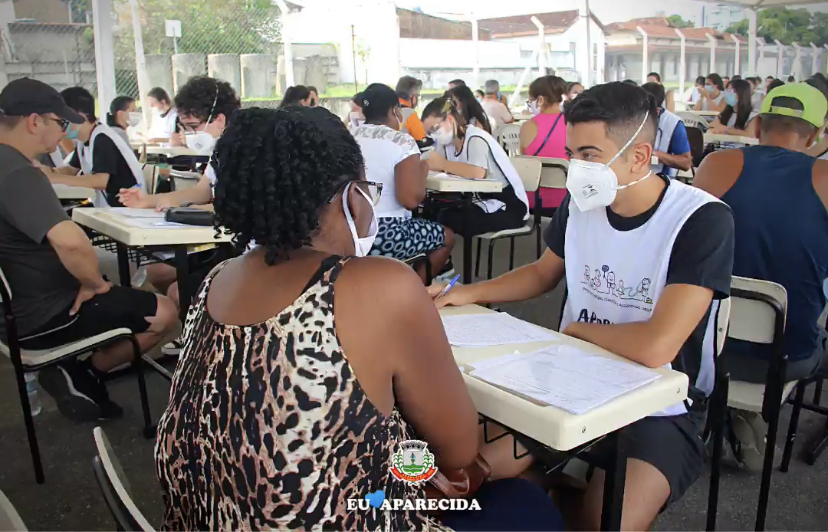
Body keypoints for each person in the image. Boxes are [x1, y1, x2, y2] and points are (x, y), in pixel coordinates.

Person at [154, 105, 563, 530]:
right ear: (354, 196)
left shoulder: (216, 280)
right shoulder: (379, 286)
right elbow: (458, 452)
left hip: (208, 519)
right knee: (525, 500)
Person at [429, 81, 735, 530]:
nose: (575, 168)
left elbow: (656, 347)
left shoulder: (701, 220)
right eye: (572, 153)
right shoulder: (583, 202)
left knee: (603, 522)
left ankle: (561, 488)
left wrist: (576, 332)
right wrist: (471, 292)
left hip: (659, 406)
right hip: (566, 384)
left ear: (640, 156)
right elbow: (542, 272)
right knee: (459, 474)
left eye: (589, 155)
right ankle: (553, 484)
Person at [0, 78, 178, 421]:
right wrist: (95, 284)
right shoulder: (18, 172)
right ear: (34, 121)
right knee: (166, 311)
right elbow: (71, 242)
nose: (63, 132)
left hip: (19, 308)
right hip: (44, 314)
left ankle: (74, 370)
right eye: (60, 123)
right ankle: (87, 373)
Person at [693, 82, 828, 470]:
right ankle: (746, 414)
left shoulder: (715, 165)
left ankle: (723, 408)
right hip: (786, 356)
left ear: (756, 126)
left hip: (701, 343)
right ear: (817, 134)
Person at [119, 76, 241, 337]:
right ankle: (196, 329)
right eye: (184, 127)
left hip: (241, 248)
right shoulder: (220, 149)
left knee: (178, 291)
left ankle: (205, 339)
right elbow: (201, 190)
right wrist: (148, 200)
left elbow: (235, 208)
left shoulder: (247, 150)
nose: (188, 135)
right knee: (158, 271)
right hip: (221, 242)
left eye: (193, 126)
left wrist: (196, 212)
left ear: (219, 119)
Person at [352, 84, 455, 279]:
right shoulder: (401, 141)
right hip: (384, 234)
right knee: (446, 237)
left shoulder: (348, 136)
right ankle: (416, 291)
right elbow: (410, 200)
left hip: (349, 233)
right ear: (394, 111)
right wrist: (421, 173)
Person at [421, 98, 529, 236]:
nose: (433, 135)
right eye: (429, 132)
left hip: (508, 205)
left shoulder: (475, 138)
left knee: (448, 218)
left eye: (434, 128)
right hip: (478, 200)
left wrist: (443, 164)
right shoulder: (446, 143)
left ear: (450, 119)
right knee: (430, 212)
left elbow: (477, 172)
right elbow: (431, 160)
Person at [38, 86, 143, 208]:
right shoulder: (85, 140)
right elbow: (71, 169)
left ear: (80, 116)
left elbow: (100, 181)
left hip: (128, 210)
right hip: (110, 208)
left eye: (63, 121)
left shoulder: (102, 138)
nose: (61, 126)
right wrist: (47, 173)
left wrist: (55, 178)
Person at [520, 76, 568, 211]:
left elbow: (525, 164)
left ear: (540, 99)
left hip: (533, 200)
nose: (530, 104)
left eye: (530, 100)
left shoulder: (527, 126)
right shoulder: (573, 124)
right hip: (567, 201)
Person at [641, 82, 692, 177]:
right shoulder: (631, 118)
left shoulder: (673, 123)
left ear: (658, 110)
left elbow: (686, 163)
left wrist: (656, 155)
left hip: (661, 177)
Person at [396, 75, 427, 142]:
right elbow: (422, 139)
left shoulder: (389, 109)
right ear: (413, 97)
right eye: (417, 96)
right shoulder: (409, 113)